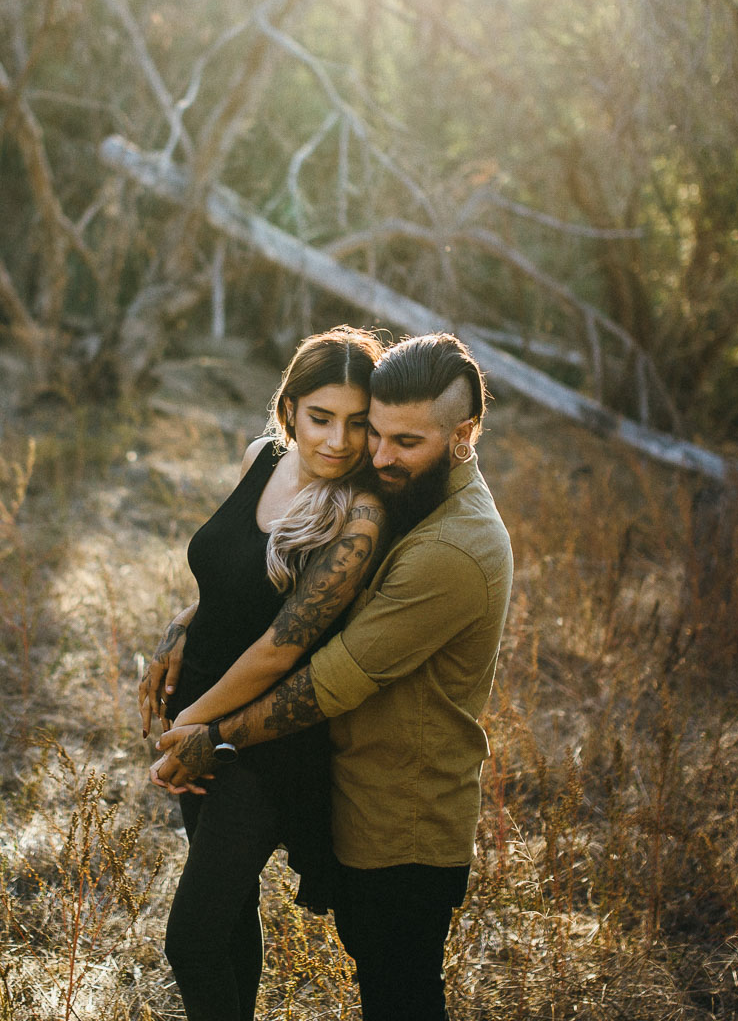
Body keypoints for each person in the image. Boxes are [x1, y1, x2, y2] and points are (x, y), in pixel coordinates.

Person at [153, 332, 513, 1021]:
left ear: (464, 434)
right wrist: (185, 625)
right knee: (257, 934)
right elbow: (250, 573)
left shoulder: (442, 542)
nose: (370, 454)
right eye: (369, 431)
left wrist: (210, 731)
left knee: (393, 990)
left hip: (395, 807)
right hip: (330, 769)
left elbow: (317, 672)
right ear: (289, 409)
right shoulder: (381, 480)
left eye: (398, 440)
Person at [136, 325, 389, 1021]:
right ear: (289, 410)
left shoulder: (358, 517)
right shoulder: (261, 458)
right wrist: (184, 624)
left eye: (358, 425)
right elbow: (232, 572)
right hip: (200, 706)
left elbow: (281, 646)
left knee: (189, 942)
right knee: (229, 907)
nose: (337, 441)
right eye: (320, 418)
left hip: (260, 740)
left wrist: (194, 727)